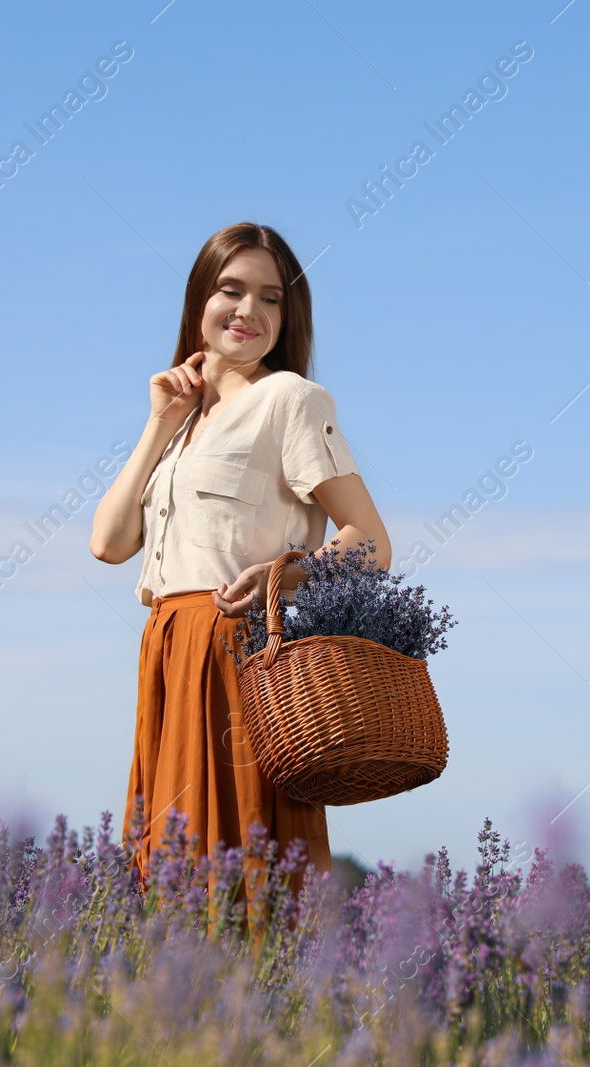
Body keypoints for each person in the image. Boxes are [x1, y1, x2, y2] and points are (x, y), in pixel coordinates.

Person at [89, 221, 390, 893]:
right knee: (168, 867)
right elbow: (107, 543)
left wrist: (284, 571)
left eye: (271, 298)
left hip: (238, 649)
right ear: (199, 301)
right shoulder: (179, 424)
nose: (249, 311)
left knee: (243, 866)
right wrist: (159, 422)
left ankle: (260, 995)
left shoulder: (291, 399)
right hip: (168, 652)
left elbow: (370, 539)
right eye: (231, 290)